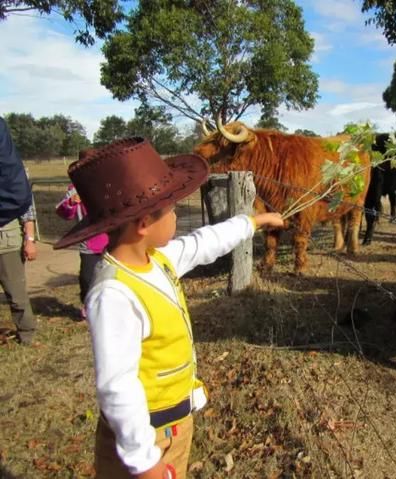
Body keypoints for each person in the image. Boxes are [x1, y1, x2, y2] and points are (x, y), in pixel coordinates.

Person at [54, 137, 283, 479]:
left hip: (174, 426)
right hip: (146, 438)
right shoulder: (114, 293)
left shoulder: (157, 260)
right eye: (173, 208)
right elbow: (118, 386)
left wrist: (254, 222)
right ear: (144, 223)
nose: (177, 215)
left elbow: (202, 244)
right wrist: (144, 462)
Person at [55, 151, 109, 319]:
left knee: (110, 275)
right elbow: (64, 212)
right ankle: (88, 304)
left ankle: (108, 306)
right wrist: (71, 203)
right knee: (87, 277)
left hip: (111, 239)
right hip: (88, 242)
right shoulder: (74, 189)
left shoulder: (109, 182)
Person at [0, 117, 38, 345]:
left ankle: (27, 335)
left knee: (16, 292)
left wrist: (30, 239)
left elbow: (26, 205)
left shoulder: (12, 171)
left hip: (6, 237)